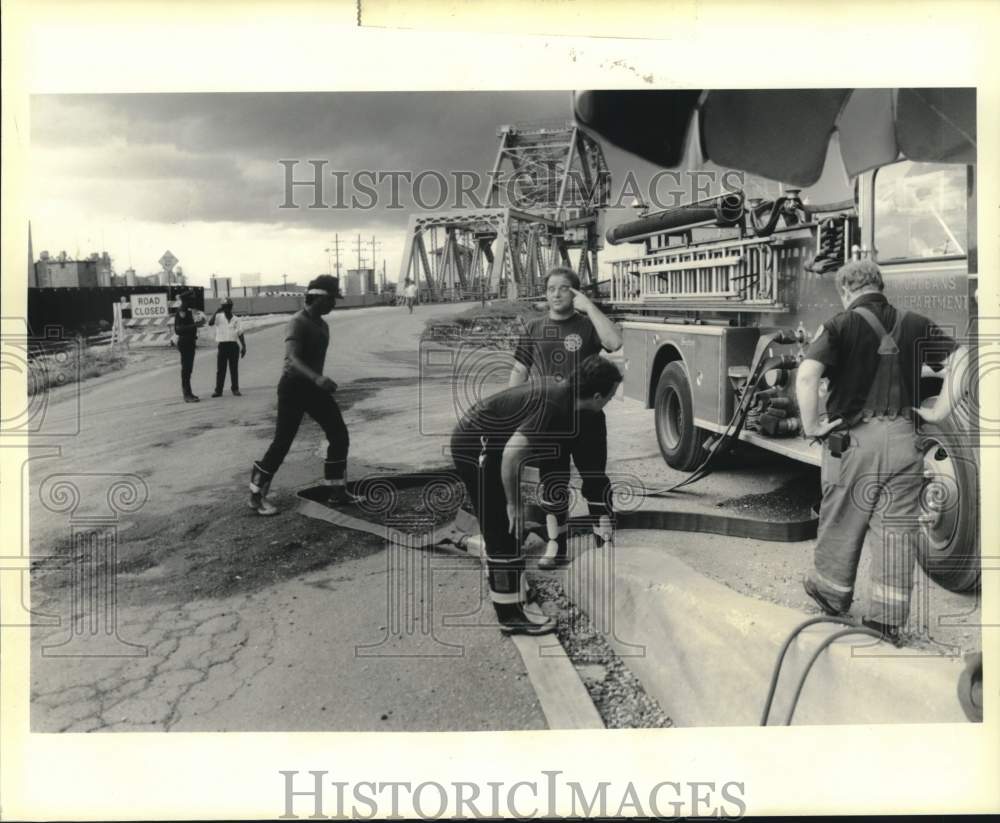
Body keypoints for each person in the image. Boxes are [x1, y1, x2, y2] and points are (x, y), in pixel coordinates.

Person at [797, 259, 968, 645]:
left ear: (846, 290)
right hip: (907, 441)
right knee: (896, 528)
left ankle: (831, 594)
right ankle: (887, 621)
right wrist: (940, 410)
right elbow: (962, 361)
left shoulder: (840, 325)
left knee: (842, 516)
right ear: (879, 285)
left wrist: (812, 427)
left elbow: (807, 375)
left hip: (855, 442)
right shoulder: (917, 322)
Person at [452, 354, 623, 635]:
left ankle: (515, 594)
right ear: (595, 395)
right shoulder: (555, 403)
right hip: (475, 446)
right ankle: (510, 615)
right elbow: (512, 454)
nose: (610, 401)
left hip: (491, 443)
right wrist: (514, 504)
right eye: (610, 395)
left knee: (507, 529)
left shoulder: (571, 400)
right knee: (502, 528)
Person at [508, 266, 623, 568]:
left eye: (564, 288)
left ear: (575, 292)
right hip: (550, 420)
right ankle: (556, 546)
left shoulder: (587, 326)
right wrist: (510, 412)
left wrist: (589, 306)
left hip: (587, 419)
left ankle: (604, 543)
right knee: (552, 483)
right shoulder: (533, 328)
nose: (556, 294)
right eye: (551, 288)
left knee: (595, 480)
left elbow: (614, 343)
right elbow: (519, 371)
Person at [249, 275, 363, 516]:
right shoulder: (297, 322)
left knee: (339, 435)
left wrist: (317, 382)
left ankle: (336, 491)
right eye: (332, 299)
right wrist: (318, 378)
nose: (335, 304)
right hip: (293, 388)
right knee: (282, 443)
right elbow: (292, 358)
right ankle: (256, 496)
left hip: (314, 390)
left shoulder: (323, 324)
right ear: (319, 298)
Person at [209, 298, 246, 397]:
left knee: (234, 369)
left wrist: (244, 346)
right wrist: (217, 311)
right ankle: (218, 390)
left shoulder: (236, 319)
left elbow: (240, 333)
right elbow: (210, 323)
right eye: (225, 307)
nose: (227, 309)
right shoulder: (218, 317)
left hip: (233, 346)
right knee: (221, 369)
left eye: (229, 307)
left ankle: (235, 389)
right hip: (223, 346)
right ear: (222, 307)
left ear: (231, 307)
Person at [173, 291, 206, 402]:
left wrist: (197, 325)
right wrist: (195, 325)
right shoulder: (181, 312)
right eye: (191, 300)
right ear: (186, 301)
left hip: (190, 342)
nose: (193, 302)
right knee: (186, 369)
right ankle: (186, 395)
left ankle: (189, 393)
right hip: (184, 343)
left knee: (189, 369)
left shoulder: (187, 311)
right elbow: (178, 330)